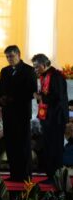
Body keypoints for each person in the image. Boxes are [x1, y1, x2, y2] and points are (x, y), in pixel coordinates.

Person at [0, 45, 37, 181]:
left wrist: (13, 98)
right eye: (7, 57)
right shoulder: (5, 71)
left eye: (11, 56)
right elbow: (0, 89)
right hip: (8, 113)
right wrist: (0, 99)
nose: (9, 59)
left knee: (23, 145)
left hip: (22, 113)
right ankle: (14, 174)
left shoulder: (29, 70)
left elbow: (31, 91)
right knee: (11, 144)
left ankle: (25, 175)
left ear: (18, 55)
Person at [32, 53, 68, 183]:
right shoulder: (44, 76)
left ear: (44, 64)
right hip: (47, 117)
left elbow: (57, 97)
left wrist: (40, 97)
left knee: (55, 147)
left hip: (56, 118)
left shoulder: (56, 76)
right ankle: (50, 174)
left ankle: (56, 177)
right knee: (47, 147)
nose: (35, 69)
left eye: (37, 67)